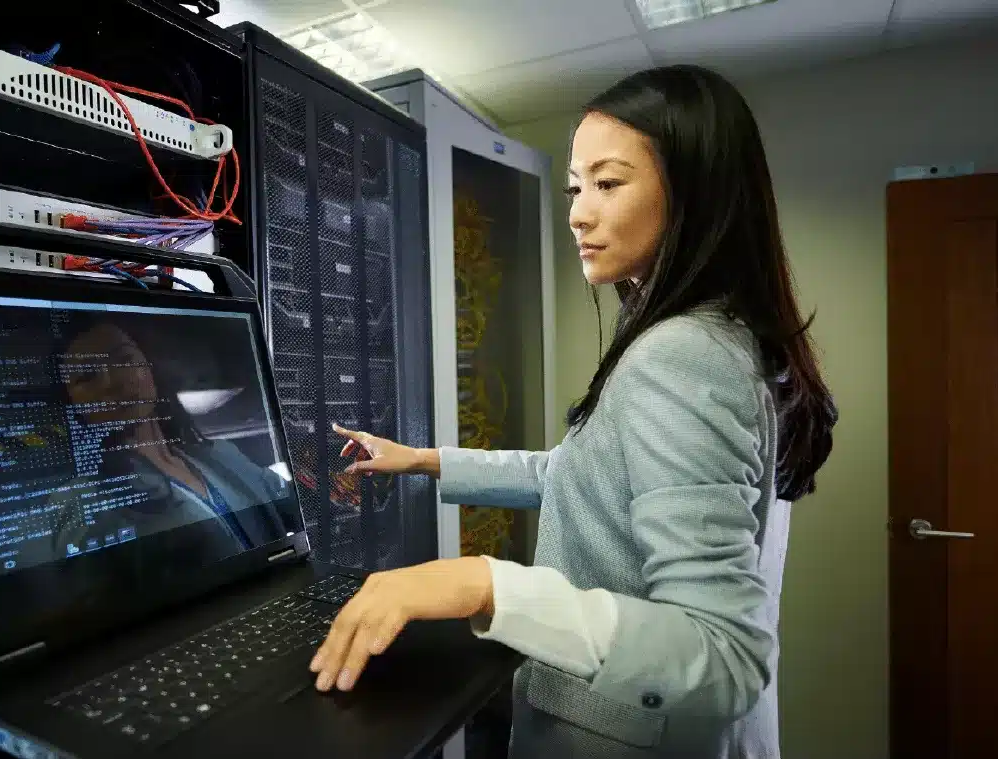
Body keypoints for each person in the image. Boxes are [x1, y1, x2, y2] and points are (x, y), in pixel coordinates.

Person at [310, 64, 837, 759]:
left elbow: (724, 655)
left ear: (694, 193)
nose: (578, 213)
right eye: (575, 187)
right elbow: (581, 473)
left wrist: (484, 582)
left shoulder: (684, 354)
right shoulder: (721, 333)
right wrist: (424, 460)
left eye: (608, 183)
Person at [48, 320, 292, 567]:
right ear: (72, 404)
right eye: (87, 376)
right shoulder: (80, 501)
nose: (113, 382)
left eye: (123, 358)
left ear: (149, 367)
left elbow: (294, 504)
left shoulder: (221, 454)